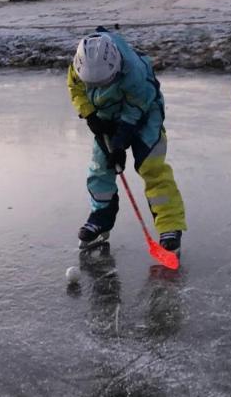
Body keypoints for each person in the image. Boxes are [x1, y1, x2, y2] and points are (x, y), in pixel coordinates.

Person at [67, 27, 186, 254]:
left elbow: (136, 108)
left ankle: (170, 226)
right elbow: (76, 89)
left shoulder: (134, 71)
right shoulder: (78, 65)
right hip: (106, 114)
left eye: (105, 81)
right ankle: (100, 218)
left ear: (115, 67)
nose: (99, 87)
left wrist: (121, 142)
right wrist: (90, 116)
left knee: (151, 167)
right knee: (100, 168)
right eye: (94, 84)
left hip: (144, 111)